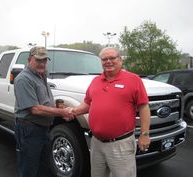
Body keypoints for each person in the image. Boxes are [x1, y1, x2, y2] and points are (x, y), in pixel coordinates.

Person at [70, 47, 150, 177]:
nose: (108, 61)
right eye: (104, 59)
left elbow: (144, 108)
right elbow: (87, 104)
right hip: (96, 143)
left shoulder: (133, 80)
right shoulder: (96, 81)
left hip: (120, 145)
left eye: (112, 58)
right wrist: (73, 112)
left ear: (120, 60)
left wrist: (144, 134)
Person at [14, 46, 73, 177]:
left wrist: (58, 109)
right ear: (29, 59)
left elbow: (43, 102)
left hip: (43, 129)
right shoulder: (24, 79)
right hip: (29, 130)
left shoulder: (41, 76)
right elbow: (35, 109)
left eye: (44, 60)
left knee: (42, 168)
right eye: (38, 60)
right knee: (29, 170)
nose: (42, 64)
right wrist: (62, 113)